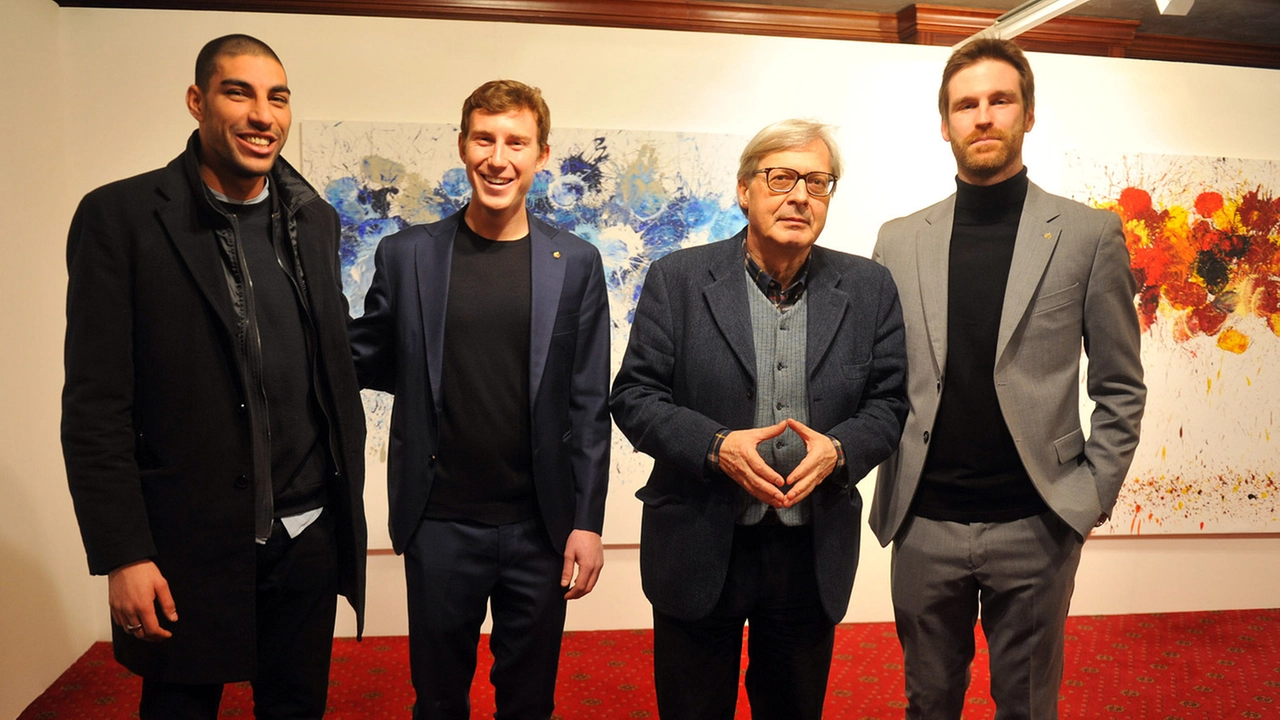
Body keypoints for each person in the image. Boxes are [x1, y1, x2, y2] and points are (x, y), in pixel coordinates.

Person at [61, 34, 368, 720]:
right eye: (240, 92)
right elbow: (96, 406)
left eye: (278, 97)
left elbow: (327, 358)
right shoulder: (121, 218)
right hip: (183, 548)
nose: (263, 115)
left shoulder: (313, 220)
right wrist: (123, 553)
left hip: (307, 538)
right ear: (197, 101)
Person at [870, 38, 1147, 719]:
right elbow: (877, 378)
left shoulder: (1089, 235)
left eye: (1000, 100)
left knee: (1025, 705)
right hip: (924, 524)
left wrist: (1086, 501)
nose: (983, 116)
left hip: (1036, 522)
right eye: (966, 105)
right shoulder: (898, 240)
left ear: (1027, 114)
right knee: (927, 702)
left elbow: (1120, 386)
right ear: (945, 124)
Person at [610, 119, 908, 720]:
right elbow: (635, 396)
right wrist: (715, 445)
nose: (800, 195)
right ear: (745, 190)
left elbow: (890, 402)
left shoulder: (869, 287)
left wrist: (841, 451)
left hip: (810, 548)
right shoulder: (679, 278)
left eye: (818, 182)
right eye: (781, 178)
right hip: (698, 536)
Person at [348, 79, 611, 719]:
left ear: (541, 155)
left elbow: (588, 403)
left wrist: (587, 520)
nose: (499, 157)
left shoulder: (575, 262)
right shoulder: (406, 256)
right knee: (438, 700)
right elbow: (368, 358)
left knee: (528, 702)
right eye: (485, 139)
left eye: (516, 142)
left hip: (541, 529)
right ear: (463, 146)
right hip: (439, 523)